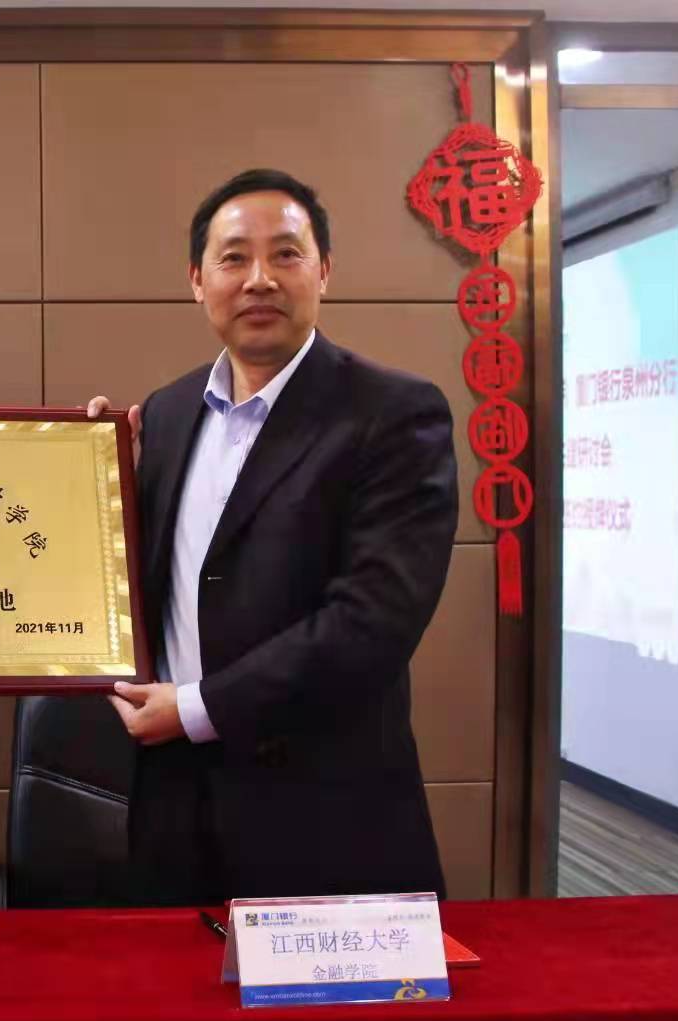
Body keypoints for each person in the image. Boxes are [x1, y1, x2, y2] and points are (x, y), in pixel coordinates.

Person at [87, 168, 458, 904]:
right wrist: (92, 480)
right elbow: (142, 581)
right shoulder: (164, 414)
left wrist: (195, 710)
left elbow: (373, 623)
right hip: (174, 807)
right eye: (233, 258)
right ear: (198, 281)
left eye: (286, 254)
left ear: (324, 271)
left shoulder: (394, 414)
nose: (259, 278)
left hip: (325, 816)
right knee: (171, 977)